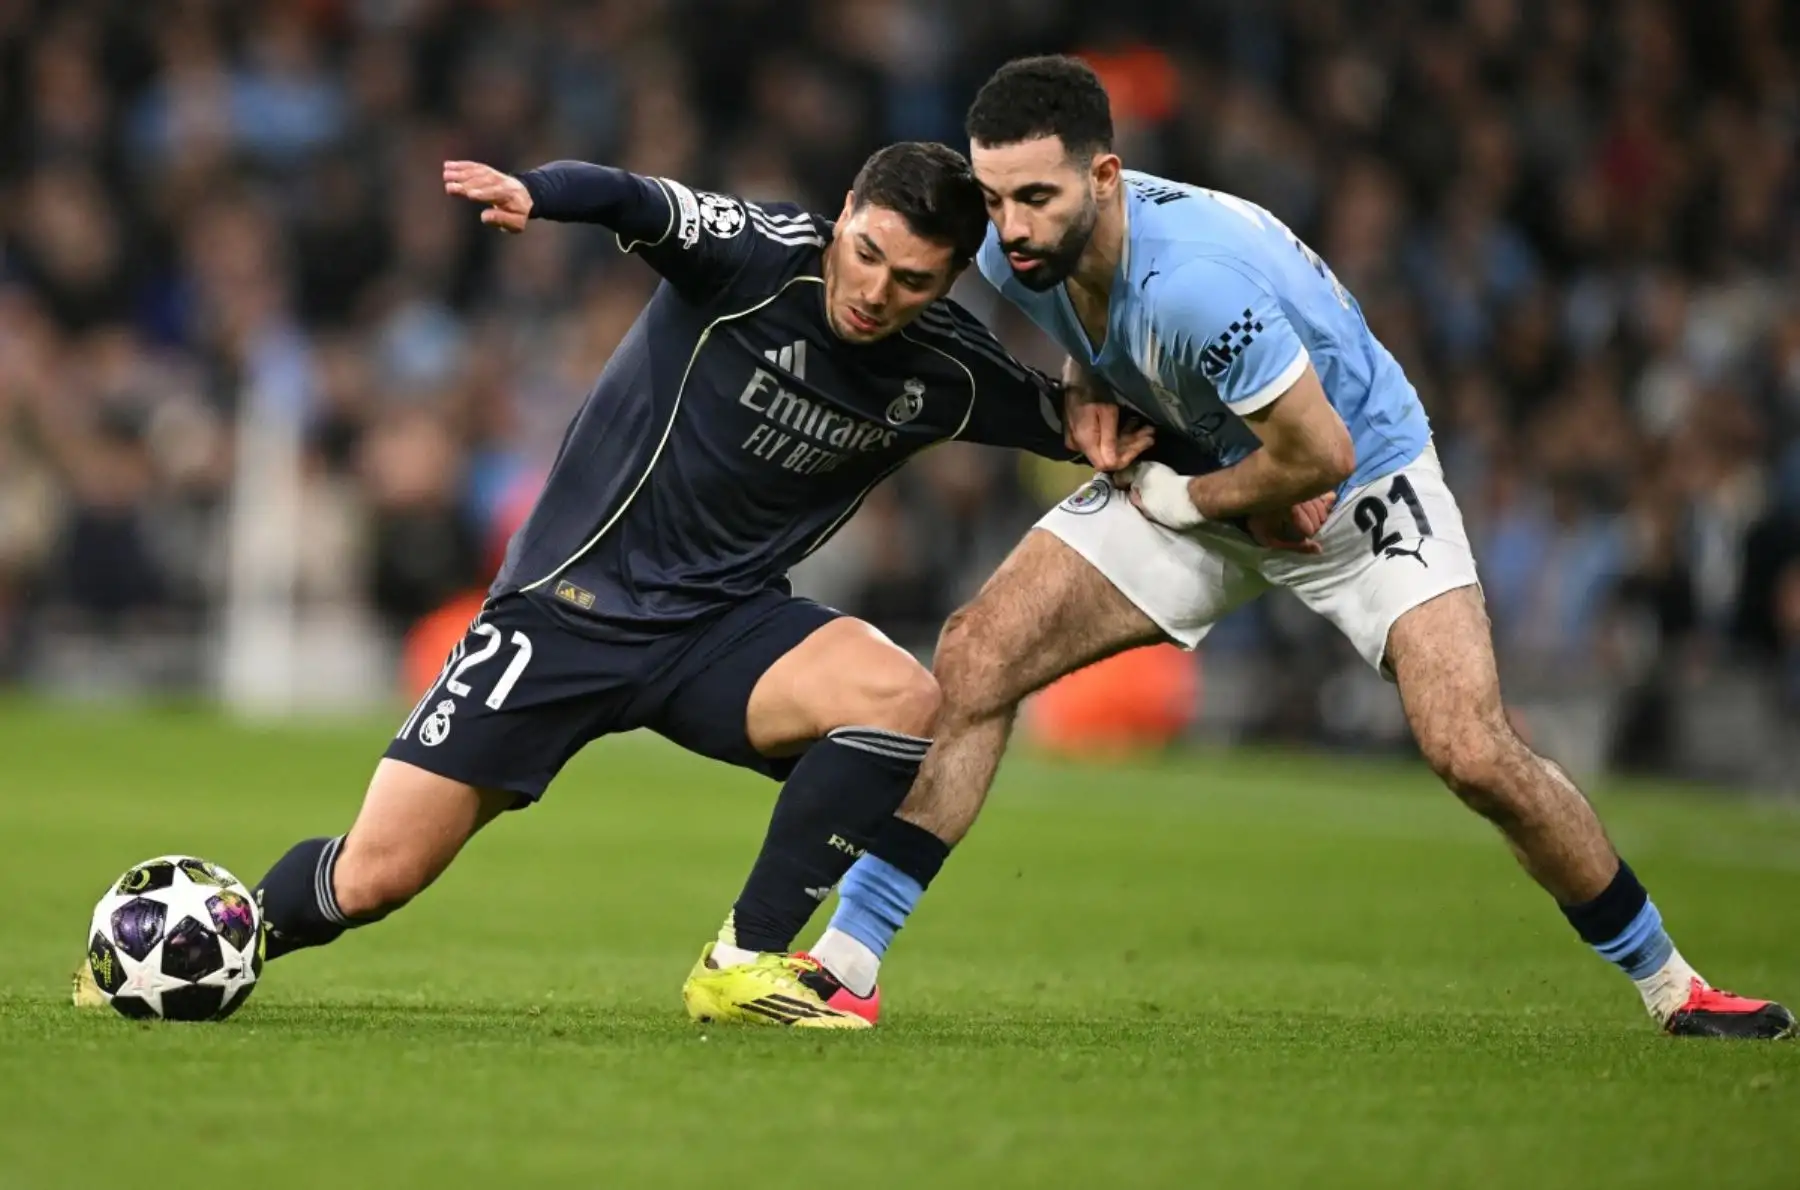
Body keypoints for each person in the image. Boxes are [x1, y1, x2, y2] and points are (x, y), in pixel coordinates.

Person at [776, 57, 1790, 1040]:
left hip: (1359, 484)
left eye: (1036, 197)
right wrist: (1090, 393)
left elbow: (1320, 456)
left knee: (1473, 750)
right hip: (1209, 462)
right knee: (978, 652)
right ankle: (847, 964)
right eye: (996, 198)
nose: (1011, 227)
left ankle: (1677, 987)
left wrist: (1191, 498)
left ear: (1105, 176)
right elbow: (1096, 344)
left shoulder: (1196, 283)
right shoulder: (1014, 249)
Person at [73, 140, 1148, 1029]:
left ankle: (745, 962)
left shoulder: (946, 370)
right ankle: (192, 948)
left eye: (912, 281)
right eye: (865, 254)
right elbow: (632, 197)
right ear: (843, 220)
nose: (875, 291)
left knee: (902, 698)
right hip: (564, 611)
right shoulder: (755, 258)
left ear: (949, 282)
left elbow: (1083, 417)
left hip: (723, 629)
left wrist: (1127, 423)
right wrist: (535, 193)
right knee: (376, 875)